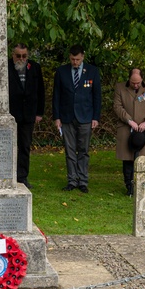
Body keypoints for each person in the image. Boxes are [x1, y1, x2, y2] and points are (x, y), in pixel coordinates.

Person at [52, 45, 101, 193]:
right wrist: (57, 117)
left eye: (78, 59)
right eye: (73, 59)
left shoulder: (92, 71)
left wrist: (96, 117)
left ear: (83, 57)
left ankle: (83, 181)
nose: (75, 62)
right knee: (70, 150)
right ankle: (72, 180)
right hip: (66, 117)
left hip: (86, 116)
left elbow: (97, 96)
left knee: (84, 150)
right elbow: (56, 96)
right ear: (69, 58)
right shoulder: (61, 71)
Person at [113, 68, 145, 195]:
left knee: (143, 158)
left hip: (144, 130)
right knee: (127, 159)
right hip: (126, 128)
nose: (135, 85)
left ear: (142, 79)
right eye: (133, 83)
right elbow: (117, 106)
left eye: (138, 83)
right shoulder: (120, 88)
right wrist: (129, 121)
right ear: (129, 79)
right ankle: (129, 186)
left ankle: (143, 186)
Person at [8, 43, 45, 189]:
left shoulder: (34, 67)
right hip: (11, 114)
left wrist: (39, 113)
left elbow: (40, 91)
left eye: (24, 56)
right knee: (9, 146)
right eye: (18, 56)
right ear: (13, 55)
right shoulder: (6, 67)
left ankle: (22, 177)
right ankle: (8, 175)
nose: (21, 59)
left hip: (28, 115)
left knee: (24, 146)